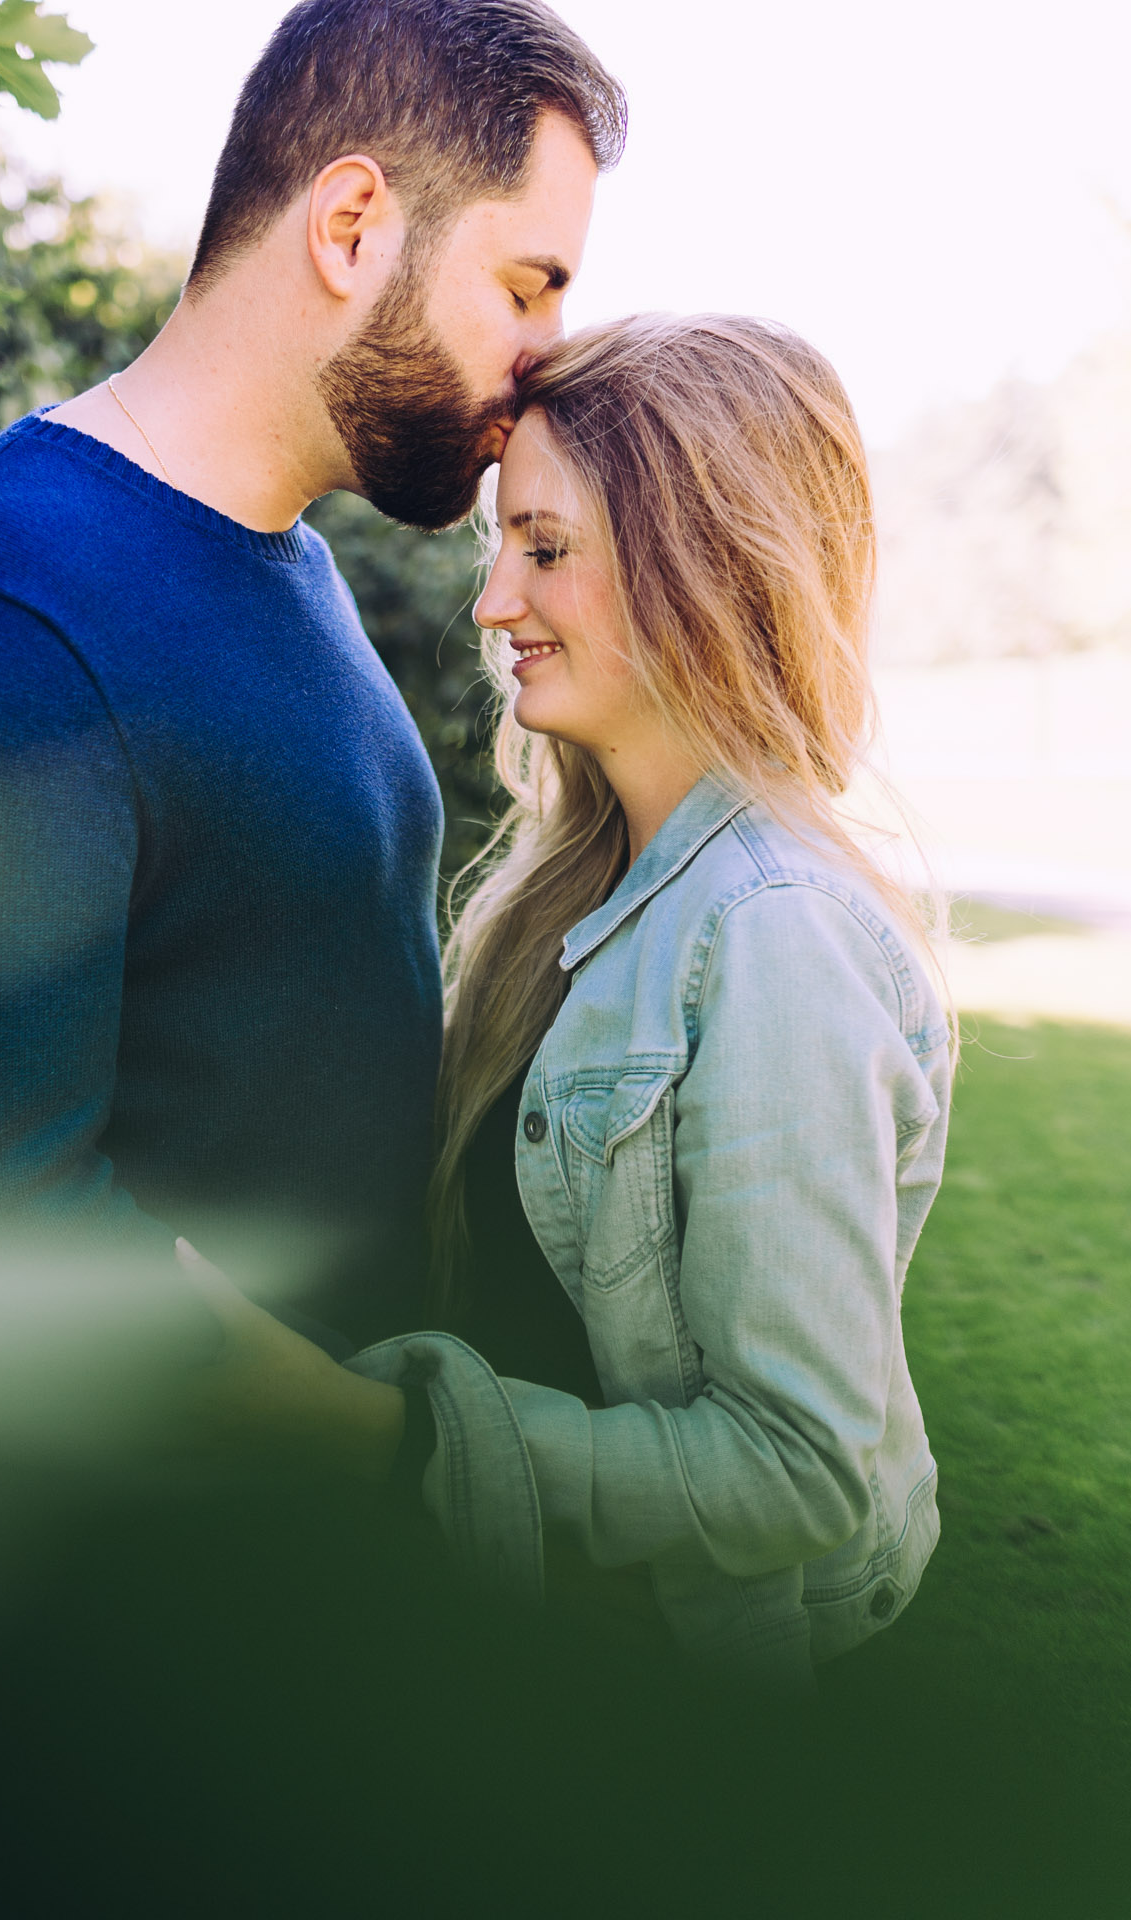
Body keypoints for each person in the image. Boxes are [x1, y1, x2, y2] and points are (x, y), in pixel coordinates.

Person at [0, 0, 626, 1347]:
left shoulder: (293, 565)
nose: (547, 349)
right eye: (525, 286)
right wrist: (359, 1438)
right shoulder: (0, 601)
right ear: (351, 226)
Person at [182, 314, 950, 1677]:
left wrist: (369, 1431)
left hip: (665, 1698)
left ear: (703, 563)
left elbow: (798, 1471)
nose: (492, 605)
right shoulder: (576, 881)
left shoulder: (772, 932)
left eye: (544, 550)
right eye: (502, 549)